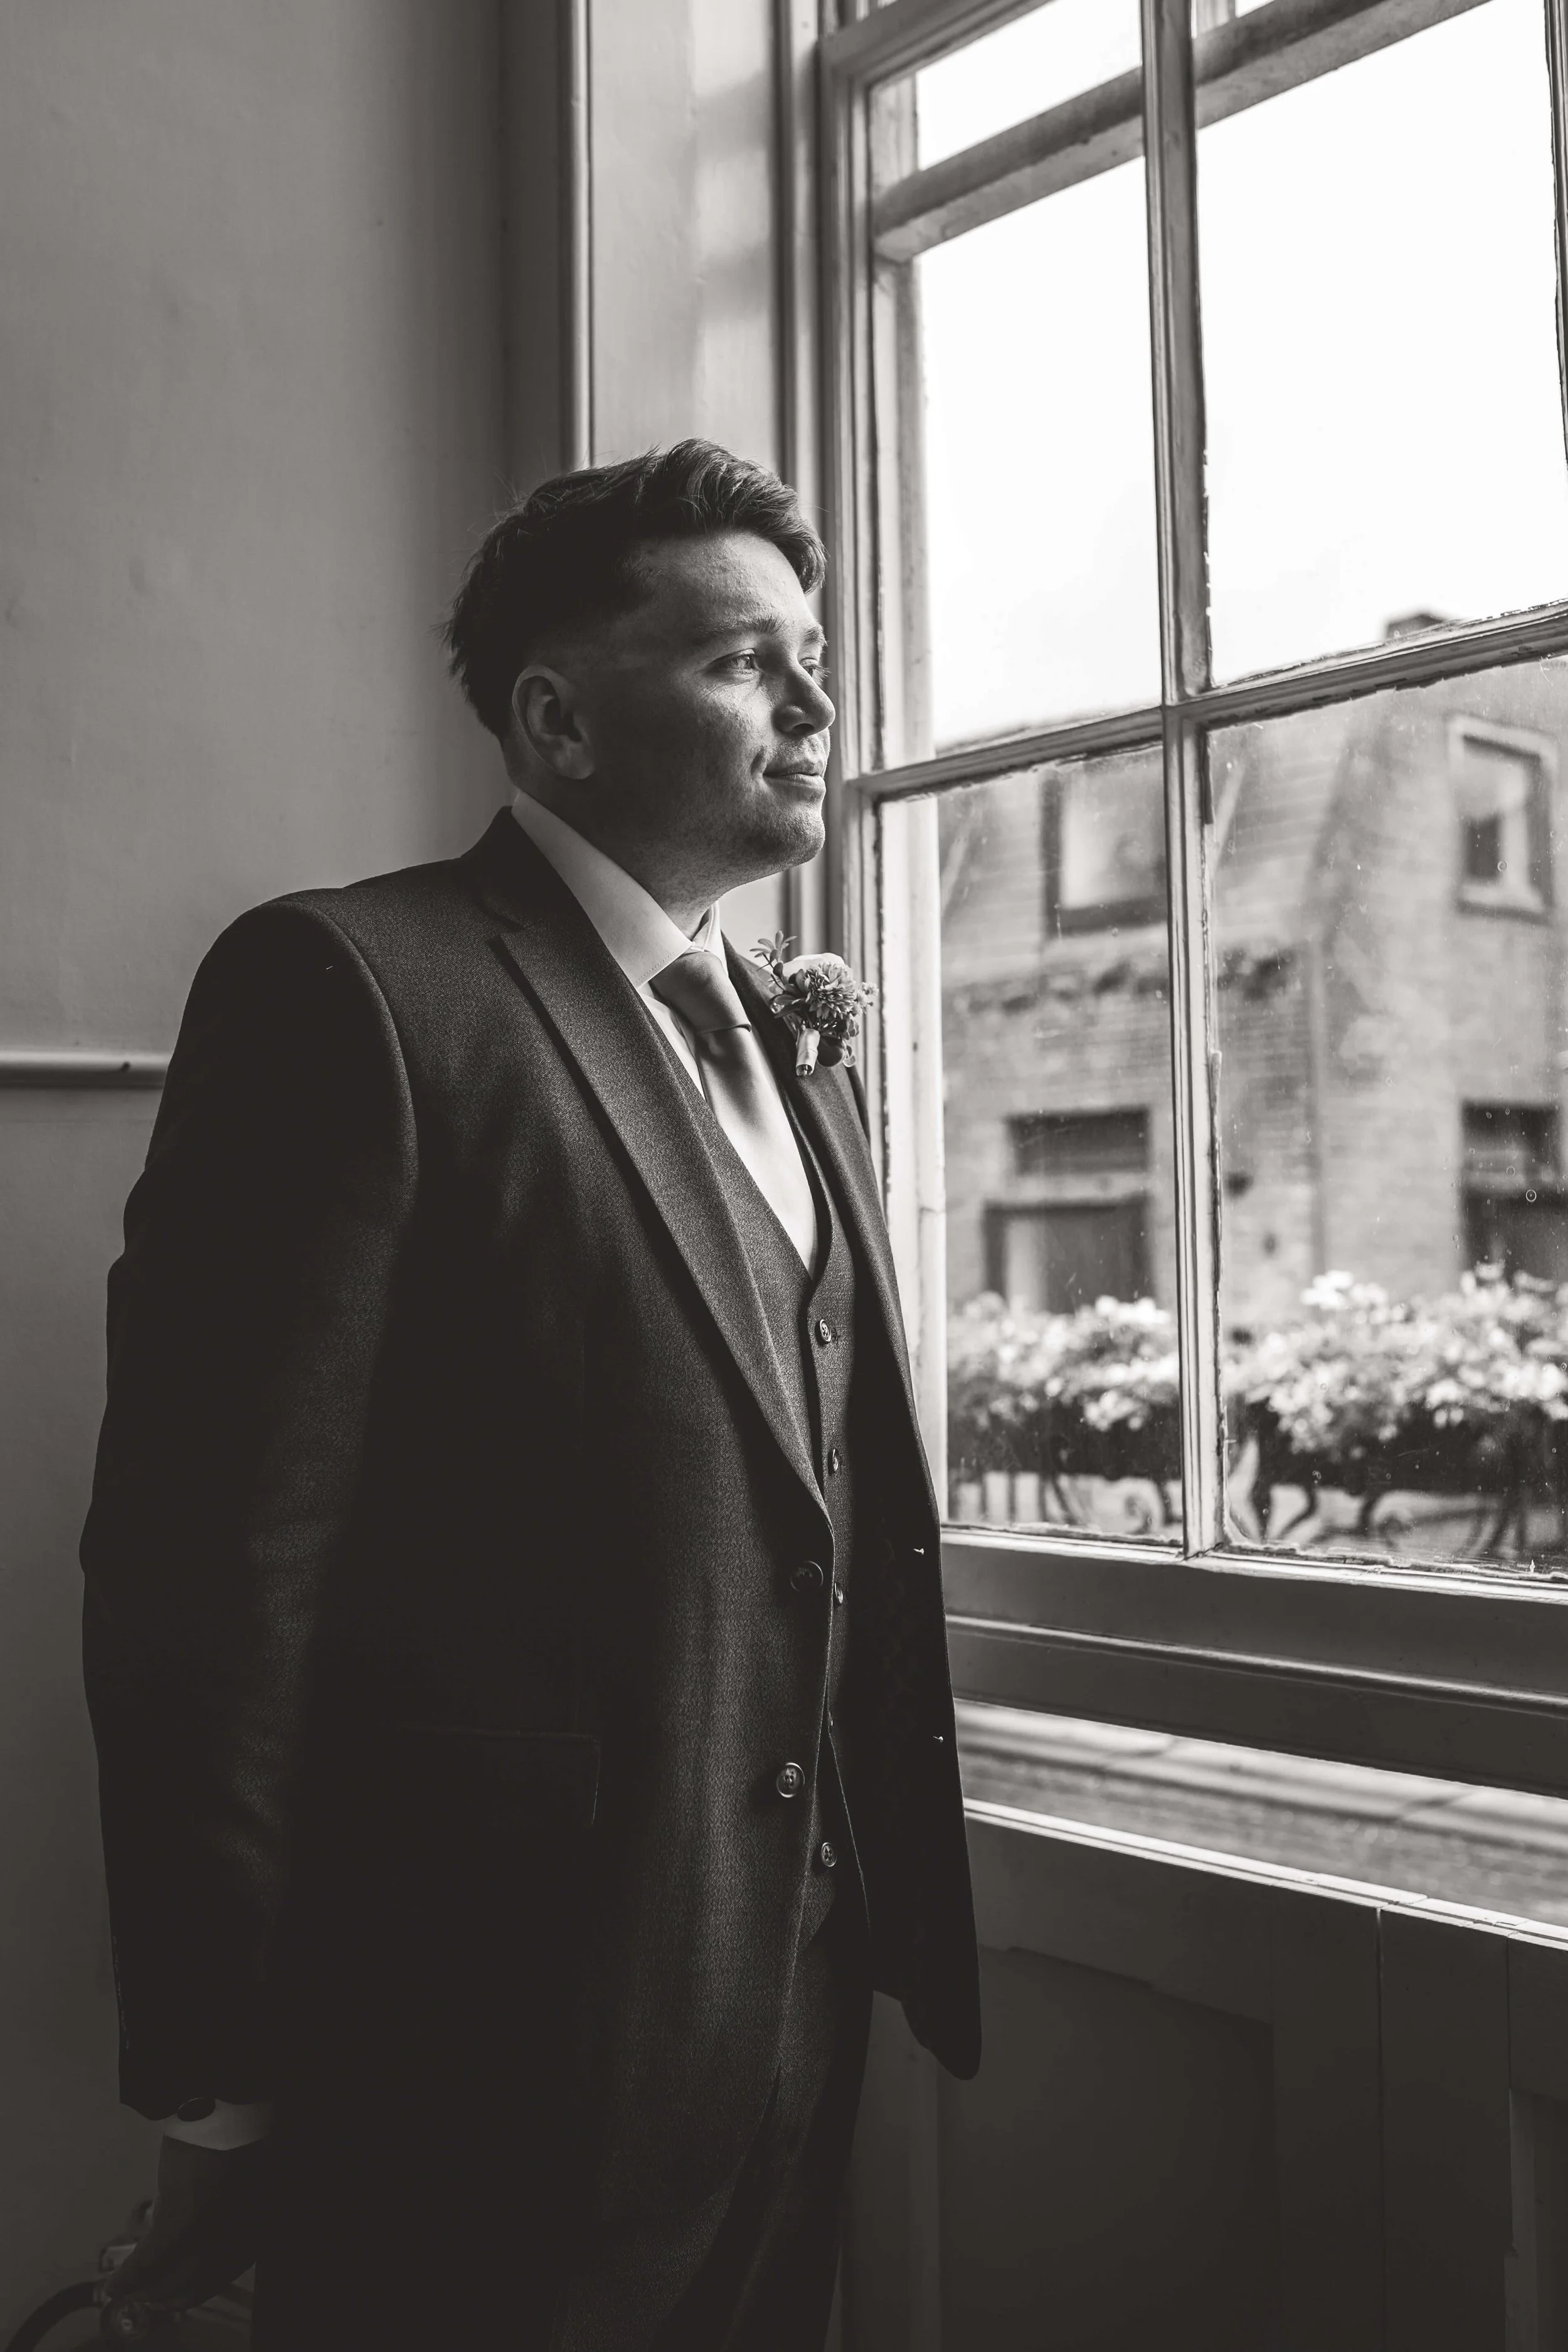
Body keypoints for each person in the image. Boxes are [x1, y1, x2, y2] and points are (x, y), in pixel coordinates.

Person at [80, 440, 980, 2349]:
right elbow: (209, 1580)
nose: (816, 707)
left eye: (813, 655)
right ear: (557, 720)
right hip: (471, 2061)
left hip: (793, 2026)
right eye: (742, 661)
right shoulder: (349, 986)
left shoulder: (796, 1047)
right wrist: (218, 2085)